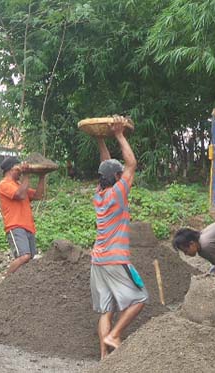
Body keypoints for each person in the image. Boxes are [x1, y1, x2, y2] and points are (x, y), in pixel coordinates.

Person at [91, 116, 147, 360]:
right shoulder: (119, 193)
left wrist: (100, 139)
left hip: (98, 261)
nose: (123, 175)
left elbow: (108, 165)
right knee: (140, 298)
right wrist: (119, 134)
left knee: (106, 309)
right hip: (115, 259)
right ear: (117, 178)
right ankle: (114, 336)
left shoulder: (99, 194)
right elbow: (131, 163)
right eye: (120, 174)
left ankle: (104, 358)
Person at [0, 156, 46, 275]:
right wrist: (26, 174)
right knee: (24, 256)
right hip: (15, 225)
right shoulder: (4, 184)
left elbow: (38, 196)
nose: (20, 172)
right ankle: (6, 283)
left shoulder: (19, 184)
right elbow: (20, 195)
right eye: (18, 169)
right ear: (11, 169)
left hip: (28, 226)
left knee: (29, 259)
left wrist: (42, 177)